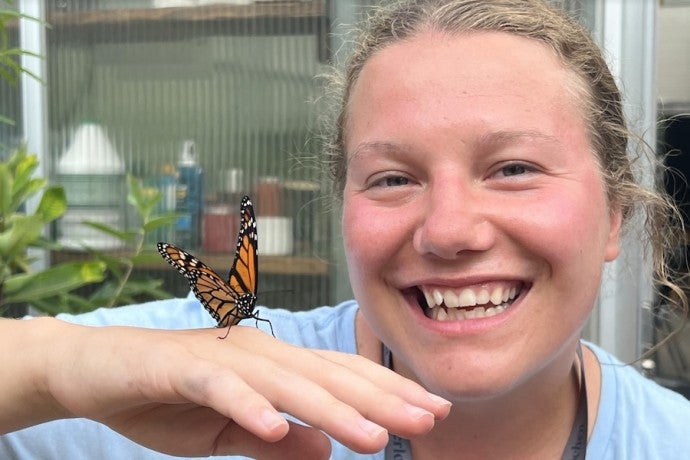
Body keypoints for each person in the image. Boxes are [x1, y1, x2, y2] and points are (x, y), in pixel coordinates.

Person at [2, 0, 689, 458]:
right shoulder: (213, 389)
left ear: (614, 215)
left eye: (513, 168)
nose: (448, 230)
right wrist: (55, 365)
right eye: (392, 179)